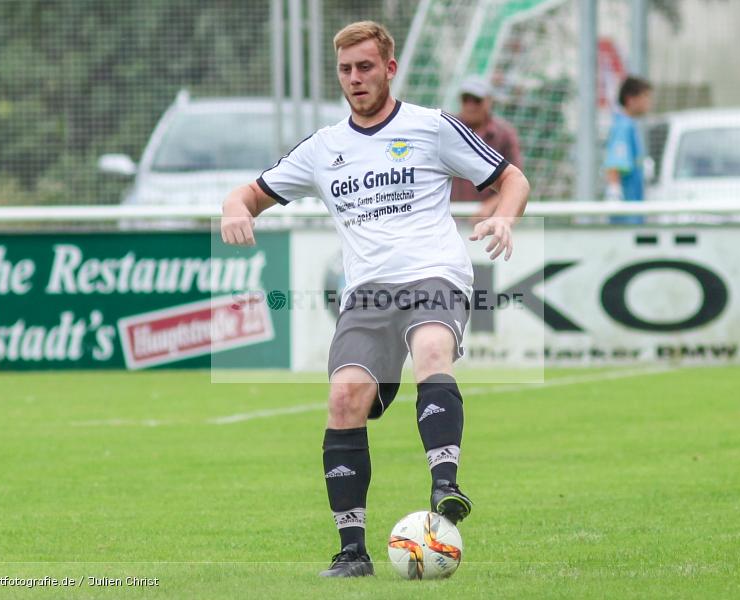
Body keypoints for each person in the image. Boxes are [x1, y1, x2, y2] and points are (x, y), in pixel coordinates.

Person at [220, 21, 530, 578]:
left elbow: (511, 179)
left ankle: (445, 484)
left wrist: (503, 216)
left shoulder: (432, 127)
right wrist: (235, 208)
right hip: (366, 293)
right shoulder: (323, 148)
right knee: (344, 399)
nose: (355, 79)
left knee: (432, 350)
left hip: (434, 274)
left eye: (366, 67)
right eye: (345, 69)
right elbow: (251, 192)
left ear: (389, 69)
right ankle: (351, 551)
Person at [450, 75, 524, 220]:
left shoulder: (504, 134)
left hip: (490, 220)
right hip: (450, 219)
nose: (470, 106)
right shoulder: (448, 129)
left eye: (476, 100)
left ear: (488, 102)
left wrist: (491, 206)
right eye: (466, 100)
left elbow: (517, 180)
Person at [604, 76, 653, 221]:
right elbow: (614, 163)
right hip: (626, 211)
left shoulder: (630, 125)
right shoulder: (623, 126)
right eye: (645, 97)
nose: (648, 102)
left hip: (634, 207)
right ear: (630, 99)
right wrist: (614, 191)